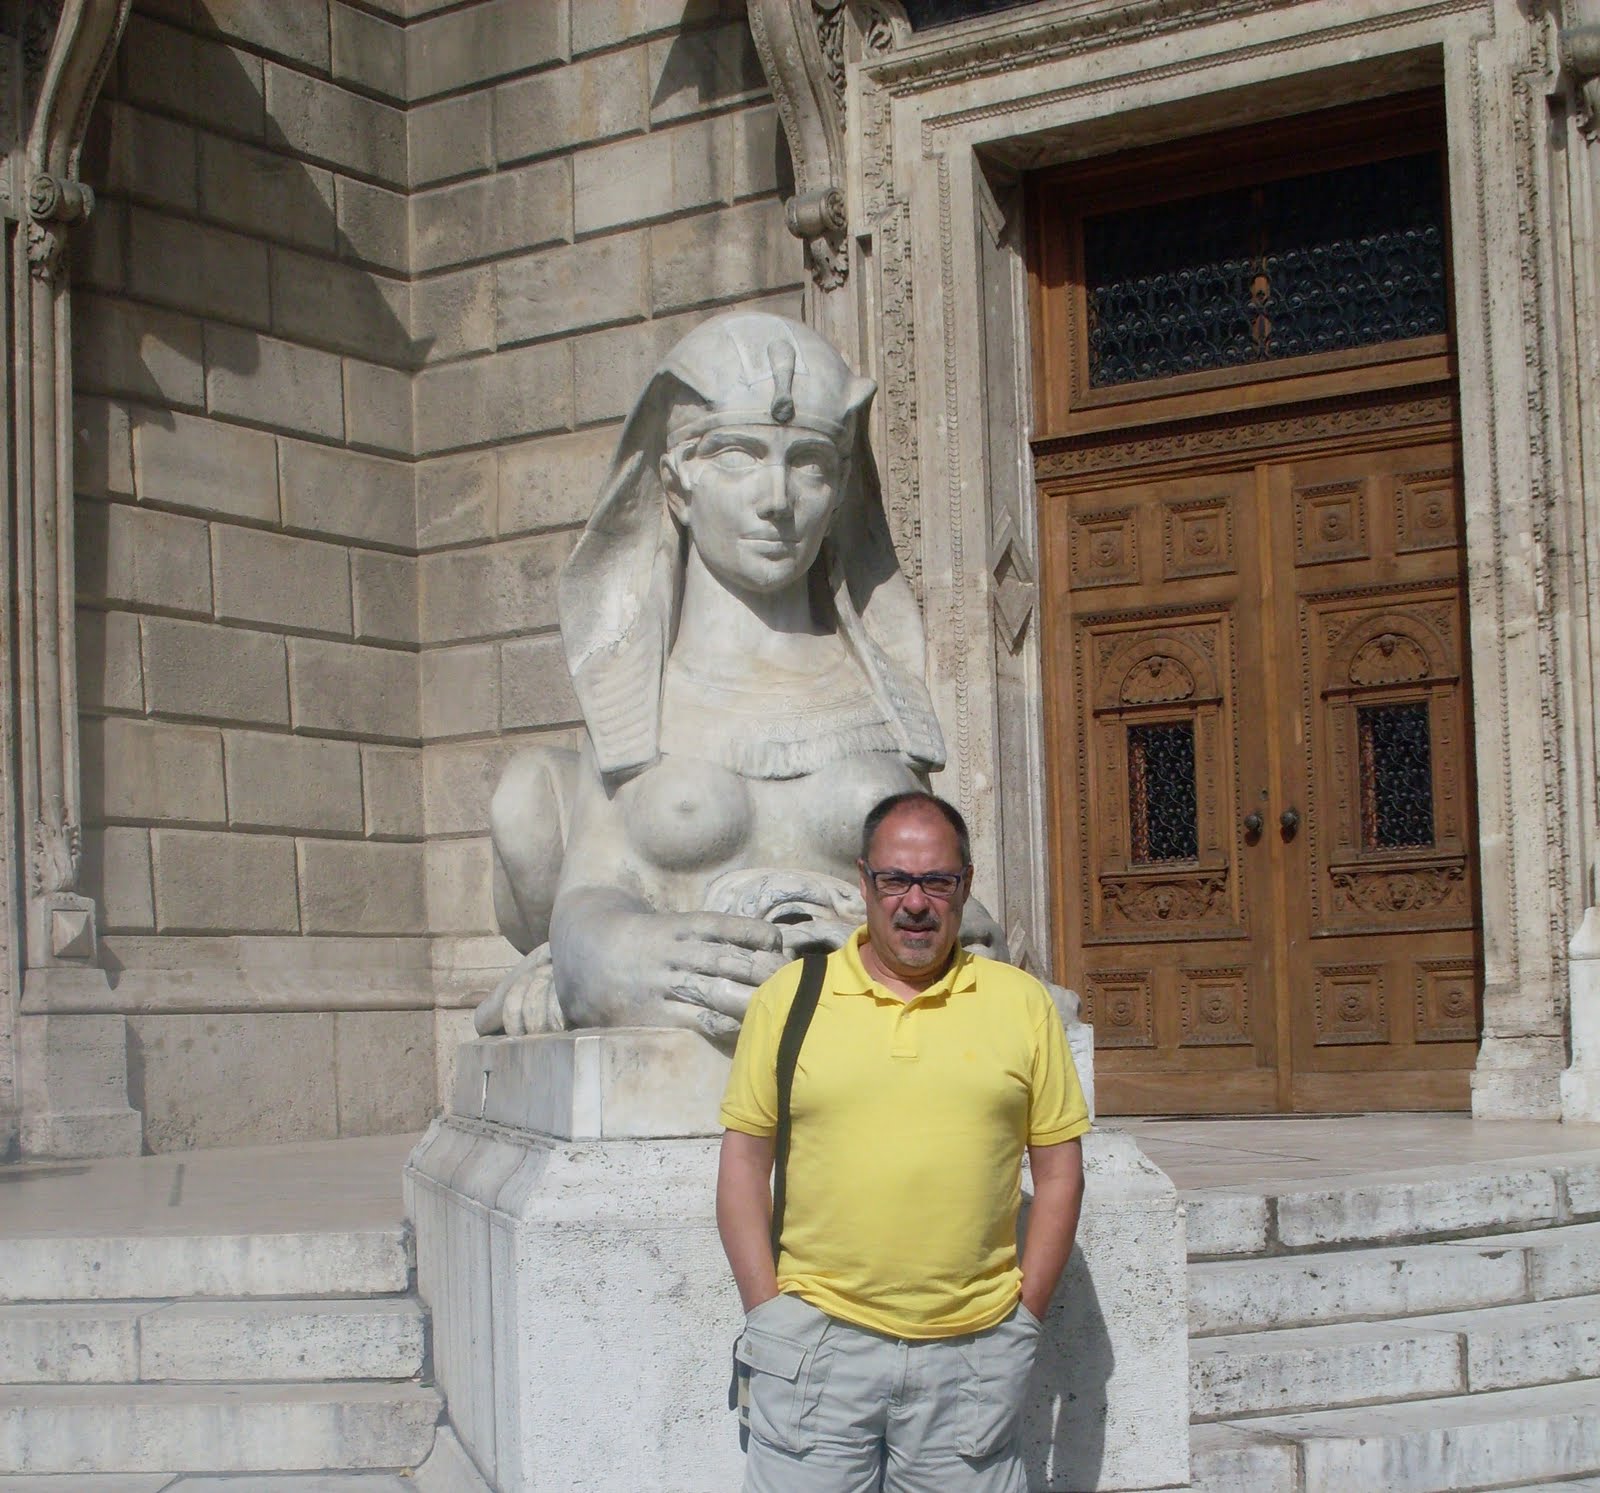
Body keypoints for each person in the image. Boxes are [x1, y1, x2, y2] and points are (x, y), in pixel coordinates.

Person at [477, 312, 1002, 1040]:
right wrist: (606, 956)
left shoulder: (881, 693)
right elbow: (591, 898)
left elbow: (959, 908)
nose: (777, 499)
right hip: (697, 1017)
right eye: (738, 455)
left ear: (839, 488)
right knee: (525, 798)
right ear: (677, 482)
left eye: (809, 463)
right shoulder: (641, 695)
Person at [717, 790, 1091, 1492]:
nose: (915, 902)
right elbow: (742, 1163)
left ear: (965, 886)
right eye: (895, 879)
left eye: (937, 881)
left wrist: (1021, 1324)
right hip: (817, 1350)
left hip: (973, 1355)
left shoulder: (1021, 1003)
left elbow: (1060, 1173)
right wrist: (767, 1314)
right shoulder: (790, 999)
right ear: (864, 882)